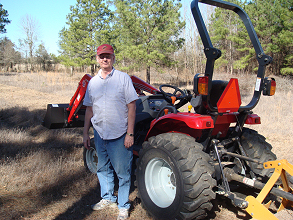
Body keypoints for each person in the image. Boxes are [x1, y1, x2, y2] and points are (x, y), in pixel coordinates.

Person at [83, 44, 138, 220]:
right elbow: (89, 110)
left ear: (113, 58)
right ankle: (107, 197)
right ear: (97, 59)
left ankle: (123, 205)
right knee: (102, 168)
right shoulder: (93, 82)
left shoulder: (123, 79)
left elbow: (131, 107)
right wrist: (85, 133)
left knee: (123, 172)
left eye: (108, 56)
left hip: (120, 133)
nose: (105, 59)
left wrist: (130, 133)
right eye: (101, 56)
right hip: (100, 133)